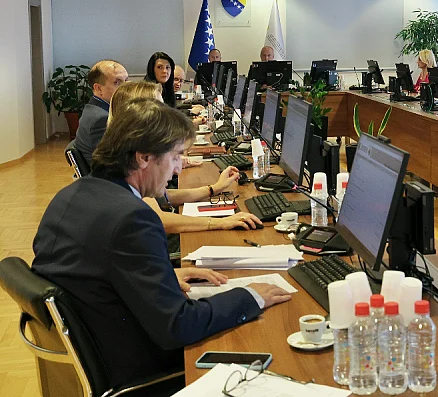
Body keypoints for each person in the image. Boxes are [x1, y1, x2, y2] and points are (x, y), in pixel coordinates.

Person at [32, 98, 292, 393]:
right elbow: (178, 326)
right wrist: (249, 297)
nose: (179, 168)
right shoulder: (132, 218)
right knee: (272, 345)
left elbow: (98, 272)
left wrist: (163, 276)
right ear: (143, 157)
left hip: (99, 343)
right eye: (176, 156)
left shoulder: (69, 196)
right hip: (138, 365)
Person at [108, 81, 262, 232]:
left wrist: (213, 189)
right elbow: (159, 220)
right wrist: (220, 222)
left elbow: (164, 197)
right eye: (160, 108)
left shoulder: (121, 152)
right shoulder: (130, 164)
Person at [73, 60, 128, 163]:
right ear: (98, 88)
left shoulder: (94, 108)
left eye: (126, 80)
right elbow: (110, 161)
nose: (125, 88)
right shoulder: (101, 119)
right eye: (117, 82)